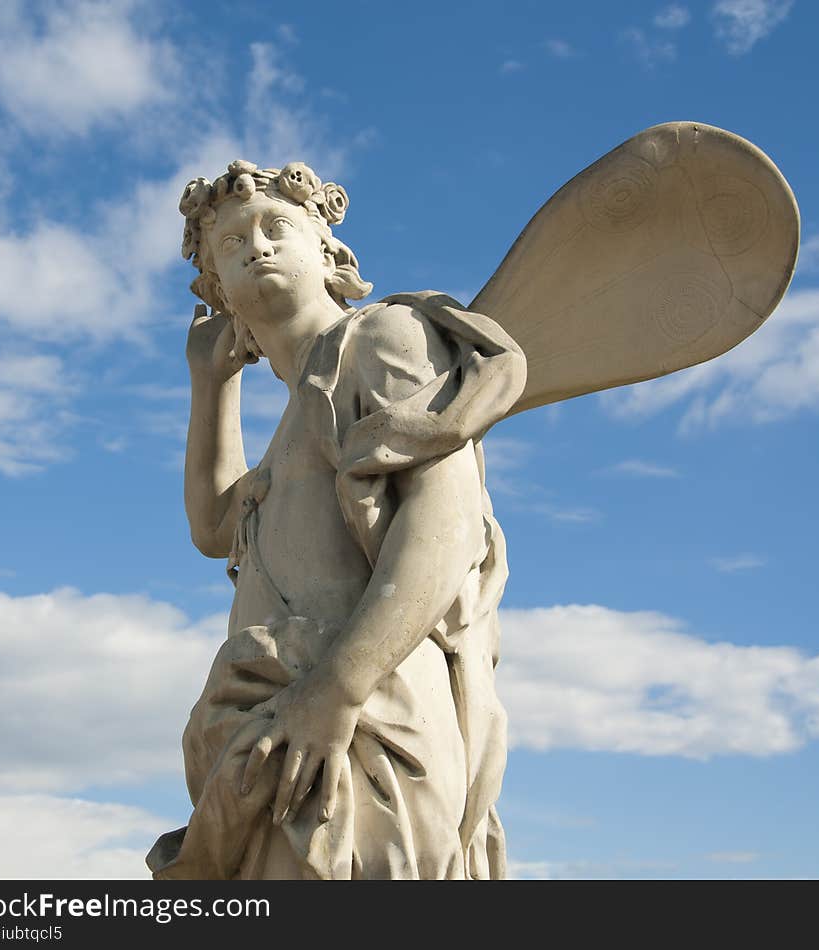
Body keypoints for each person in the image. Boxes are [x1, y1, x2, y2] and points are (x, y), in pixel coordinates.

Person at [146, 160, 527, 880]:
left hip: (363, 714)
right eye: (229, 244)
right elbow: (213, 526)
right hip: (276, 730)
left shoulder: (384, 338)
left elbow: (443, 523)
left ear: (330, 254)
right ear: (217, 291)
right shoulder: (293, 417)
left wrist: (339, 687)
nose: (254, 245)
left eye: (276, 227)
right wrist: (210, 386)